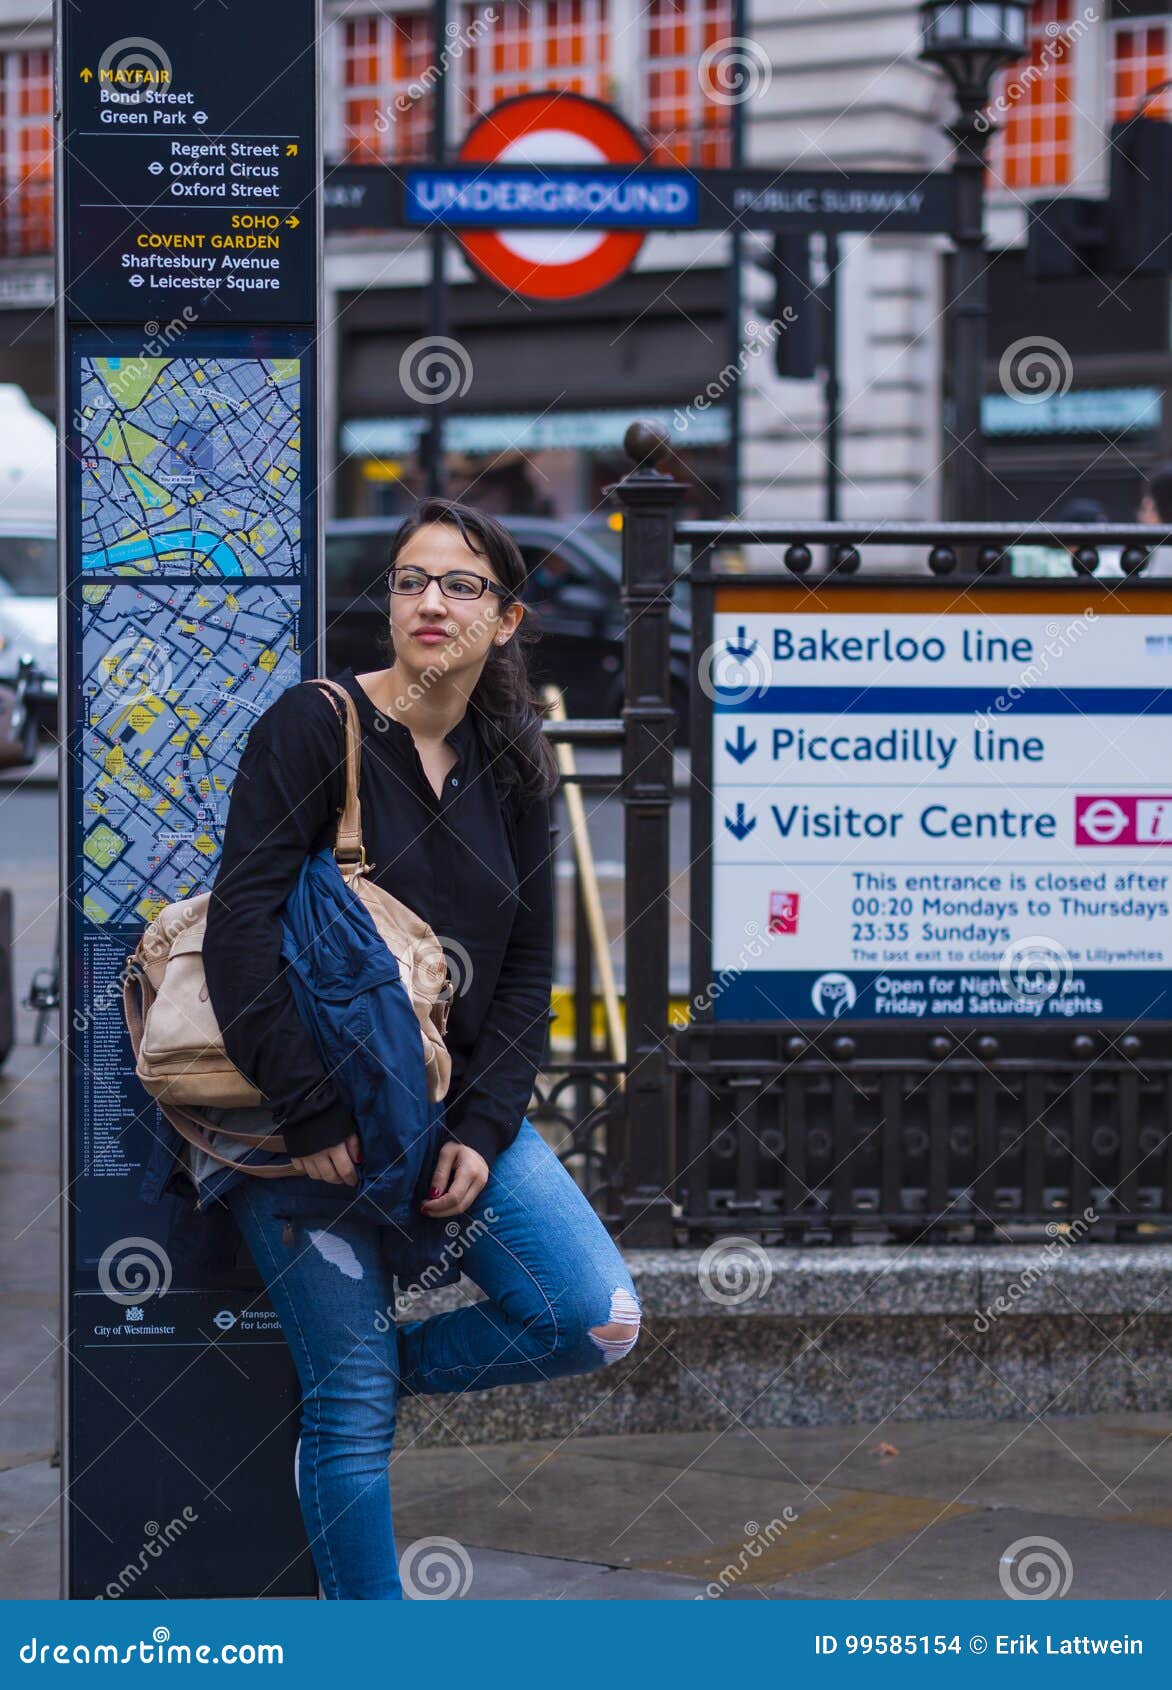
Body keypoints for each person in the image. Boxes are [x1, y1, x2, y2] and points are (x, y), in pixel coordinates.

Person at [197, 497, 642, 1599]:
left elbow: (530, 967)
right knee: (347, 1427)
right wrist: (310, 1112)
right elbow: (240, 930)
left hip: (452, 1113)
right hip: (309, 1121)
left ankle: (361, 1376)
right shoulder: (317, 725)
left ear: (505, 619)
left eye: (460, 584)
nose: (430, 601)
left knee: (595, 1316)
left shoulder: (513, 759)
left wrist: (486, 1131)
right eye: (409, 580)